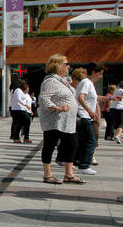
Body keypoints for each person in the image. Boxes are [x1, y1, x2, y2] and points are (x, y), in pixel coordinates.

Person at [38, 54, 82, 185]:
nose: (69, 66)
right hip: (54, 120)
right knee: (49, 145)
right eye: (66, 64)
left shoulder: (63, 80)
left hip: (67, 121)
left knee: (72, 144)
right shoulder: (50, 81)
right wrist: (57, 108)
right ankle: (47, 175)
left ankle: (69, 175)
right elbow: (44, 99)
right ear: (57, 66)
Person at [72, 66, 101, 175]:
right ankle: (84, 165)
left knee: (83, 141)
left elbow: (92, 98)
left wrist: (108, 98)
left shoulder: (88, 83)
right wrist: (89, 110)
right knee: (91, 141)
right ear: (93, 72)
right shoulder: (86, 82)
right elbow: (80, 97)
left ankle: (77, 162)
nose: (101, 76)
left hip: (85, 115)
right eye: (100, 73)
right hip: (83, 115)